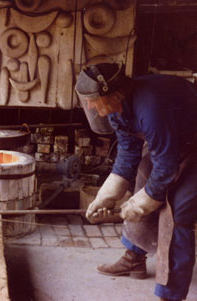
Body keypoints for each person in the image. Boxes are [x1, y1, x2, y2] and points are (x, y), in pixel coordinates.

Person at [75, 62, 197, 301]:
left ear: (112, 93)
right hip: (175, 144)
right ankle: (134, 258)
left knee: (178, 209)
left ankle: (170, 294)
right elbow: (129, 152)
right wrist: (106, 196)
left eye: (92, 100)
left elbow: (165, 169)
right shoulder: (119, 108)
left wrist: (141, 204)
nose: (89, 105)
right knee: (144, 170)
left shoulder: (151, 106)